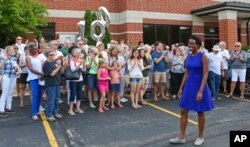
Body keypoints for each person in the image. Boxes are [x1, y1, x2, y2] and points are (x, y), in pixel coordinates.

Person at [169, 35, 214, 146]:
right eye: (189, 43)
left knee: (200, 111)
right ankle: (181, 137)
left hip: (200, 86)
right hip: (189, 86)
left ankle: (200, 136)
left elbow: (205, 73)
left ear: (198, 44)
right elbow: (186, 73)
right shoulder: (188, 56)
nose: (190, 45)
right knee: (183, 111)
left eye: (193, 43)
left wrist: (200, 91)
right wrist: (181, 88)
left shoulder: (203, 56)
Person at [43, 49, 64, 121]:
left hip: (57, 83)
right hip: (51, 84)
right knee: (51, 100)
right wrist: (58, 67)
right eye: (51, 55)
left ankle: (55, 112)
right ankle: (49, 114)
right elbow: (52, 74)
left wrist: (61, 65)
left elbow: (61, 72)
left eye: (54, 54)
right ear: (47, 56)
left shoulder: (55, 62)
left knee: (56, 99)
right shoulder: (46, 64)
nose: (53, 56)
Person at [0, 45, 20, 117]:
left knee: (10, 93)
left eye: (12, 50)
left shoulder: (14, 58)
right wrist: (5, 60)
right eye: (10, 50)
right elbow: (1, 66)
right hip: (6, 77)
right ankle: (1, 110)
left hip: (13, 77)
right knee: (4, 93)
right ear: (7, 51)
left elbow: (16, 69)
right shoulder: (3, 57)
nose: (12, 51)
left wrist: (17, 69)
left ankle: (8, 108)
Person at [26, 43, 44, 120]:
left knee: (40, 95)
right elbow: (31, 69)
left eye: (36, 48)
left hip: (40, 78)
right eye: (33, 49)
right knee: (35, 95)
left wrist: (42, 75)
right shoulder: (28, 58)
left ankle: (38, 110)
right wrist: (41, 74)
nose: (35, 50)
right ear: (29, 50)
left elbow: (42, 66)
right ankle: (34, 113)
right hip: (33, 78)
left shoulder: (39, 57)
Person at [68, 48, 85, 115]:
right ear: (74, 54)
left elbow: (84, 70)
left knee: (79, 94)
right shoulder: (72, 60)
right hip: (73, 80)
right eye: (77, 53)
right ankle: (70, 109)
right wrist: (79, 64)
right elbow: (72, 70)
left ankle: (78, 108)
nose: (79, 54)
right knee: (72, 94)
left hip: (80, 79)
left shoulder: (81, 59)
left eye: (80, 53)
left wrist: (83, 64)